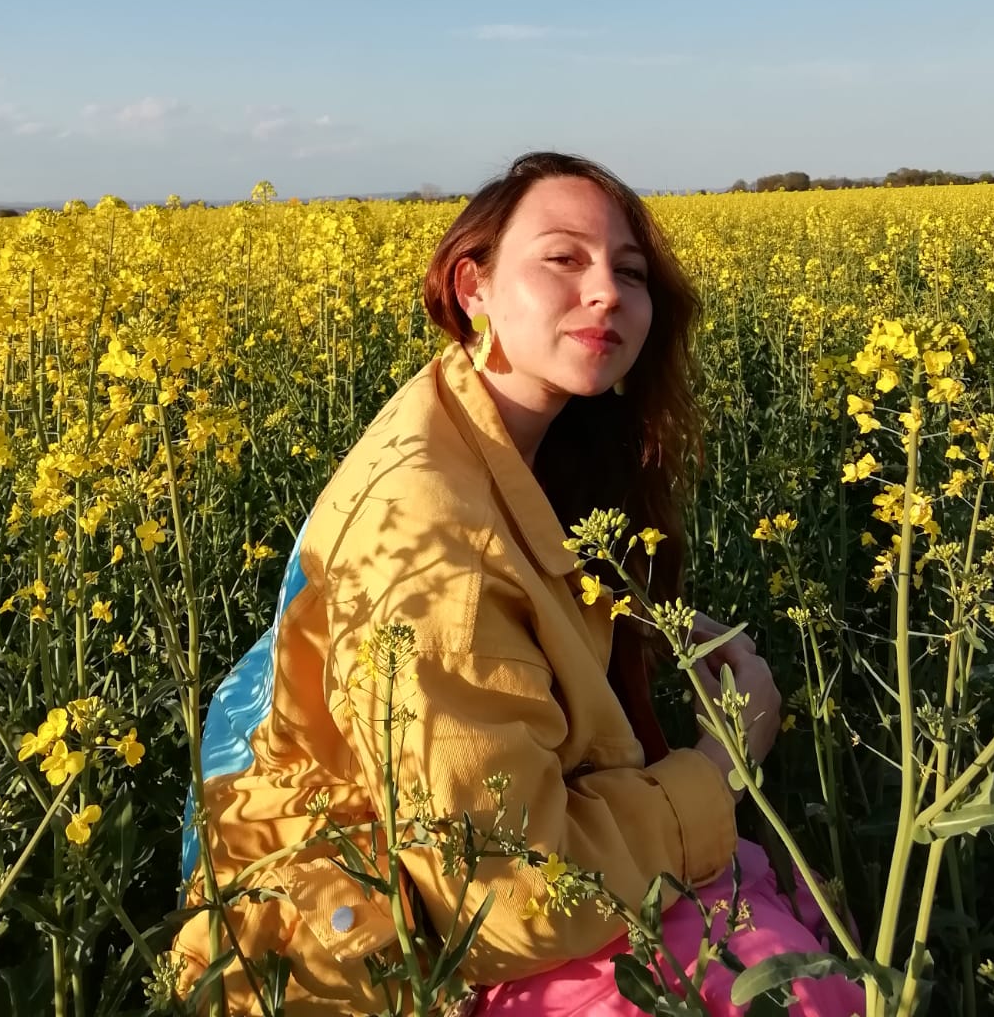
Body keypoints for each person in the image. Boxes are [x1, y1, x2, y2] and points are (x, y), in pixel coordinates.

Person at [172, 152, 863, 1015]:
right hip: (396, 953)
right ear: (475, 287)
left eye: (630, 271)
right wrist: (725, 762)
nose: (605, 291)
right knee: (796, 992)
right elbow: (505, 905)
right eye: (564, 258)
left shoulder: (476, 423)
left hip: (444, 885)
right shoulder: (439, 541)